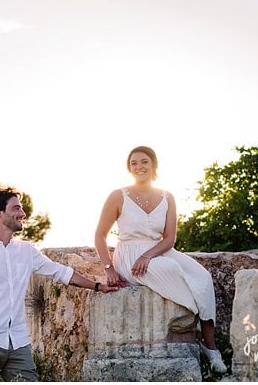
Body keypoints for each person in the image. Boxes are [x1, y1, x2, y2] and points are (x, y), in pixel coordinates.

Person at [0, 186, 119, 382]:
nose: (23, 213)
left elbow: (61, 272)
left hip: (19, 344)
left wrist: (97, 286)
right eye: (16, 208)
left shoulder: (26, 251)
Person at [93, 146, 228, 373]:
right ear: (129, 168)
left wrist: (148, 254)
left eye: (144, 162)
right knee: (170, 268)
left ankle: (211, 348)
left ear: (154, 166)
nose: (139, 167)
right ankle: (190, 331)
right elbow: (100, 235)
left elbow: (170, 238)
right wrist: (109, 268)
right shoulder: (118, 196)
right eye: (134, 163)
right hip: (129, 255)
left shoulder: (167, 197)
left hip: (157, 251)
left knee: (202, 277)